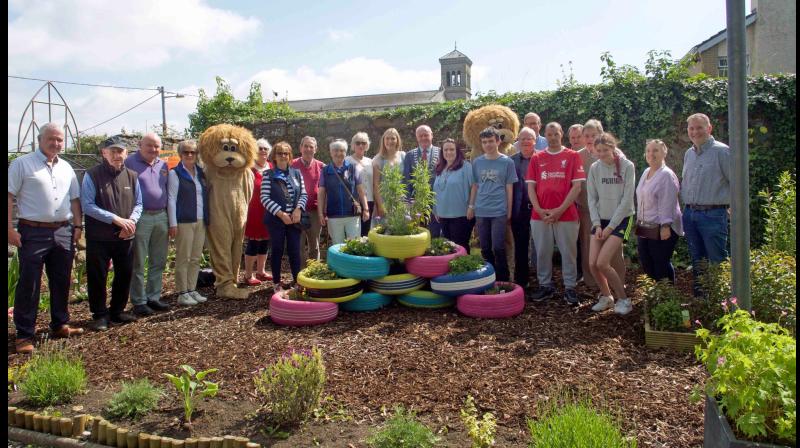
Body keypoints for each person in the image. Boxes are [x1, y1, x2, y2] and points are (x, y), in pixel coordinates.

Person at [8, 122, 84, 353]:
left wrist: (78, 225)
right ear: (40, 139)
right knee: (29, 282)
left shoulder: (67, 167)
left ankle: (60, 324)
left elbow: (74, 199)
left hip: (63, 230)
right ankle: (24, 334)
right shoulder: (22, 164)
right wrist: (9, 229)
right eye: (51, 138)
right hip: (33, 230)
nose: (56, 143)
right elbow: (9, 196)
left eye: (60, 139)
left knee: (62, 279)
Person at [82, 136, 143, 330]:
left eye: (120, 151)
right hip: (99, 237)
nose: (117, 155)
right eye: (113, 151)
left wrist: (131, 222)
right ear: (104, 153)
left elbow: (139, 203)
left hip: (125, 236)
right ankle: (99, 315)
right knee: (97, 276)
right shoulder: (92, 175)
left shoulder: (132, 176)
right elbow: (87, 205)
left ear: (126, 153)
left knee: (125, 274)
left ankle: (117, 311)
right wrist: (116, 219)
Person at [526, 122, 585, 305]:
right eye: (549, 134)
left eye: (556, 134)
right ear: (545, 135)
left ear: (561, 134)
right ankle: (545, 286)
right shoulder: (537, 158)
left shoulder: (573, 156)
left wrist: (559, 210)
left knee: (569, 253)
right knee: (542, 253)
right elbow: (531, 187)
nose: (552, 138)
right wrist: (538, 209)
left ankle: (570, 288)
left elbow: (577, 187)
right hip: (540, 216)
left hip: (566, 215)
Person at [681, 113, 731, 297]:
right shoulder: (689, 154)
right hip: (690, 214)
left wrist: (733, 207)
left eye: (699, 127)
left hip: (713, 215)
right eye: (691, 128)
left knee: (717, 260)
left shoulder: (722, 151)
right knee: (697, 261)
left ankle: (723, 301)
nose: (695, 132)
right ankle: (701, 300)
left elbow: (737, 181)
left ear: (709, 128)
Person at [586, 133, 636, 314]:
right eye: (598, 151)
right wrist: (597, 224)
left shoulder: (627, 166)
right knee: (592, 264)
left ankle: (624, 300)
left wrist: (610, 227)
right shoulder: (594, 168)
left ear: (613, 148)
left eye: (605, 150)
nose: (601, 154)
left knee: (602, 263)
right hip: (601, 220)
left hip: (621, 219)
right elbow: (592, 198)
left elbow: (627, 201)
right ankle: (607, 297)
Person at [576, 120, 626, 291]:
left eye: (593, 135)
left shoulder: (616, 155)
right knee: (588, 247)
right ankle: (594, 284)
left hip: (612, 213)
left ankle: (618, 284)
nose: (590, 139)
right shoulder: (578, 156)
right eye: (586, 136)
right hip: (587, 211)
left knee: (613, 251)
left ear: (601, 134)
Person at [124, 133, 170, 316]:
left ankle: (153, 296)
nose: (153, 149)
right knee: (138, 261)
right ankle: (139, 301)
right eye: (149, 145)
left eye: (157, 146)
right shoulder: (129, 163)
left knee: (159, 260)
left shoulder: (163, 165)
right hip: (141, 217)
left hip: (161, 215)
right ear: (140, 145)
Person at [467, 127, 517, 282]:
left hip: (499, 211)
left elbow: (509, 188)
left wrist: (509, 211)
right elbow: (475, 186)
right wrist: (471, 206)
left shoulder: (507, 162)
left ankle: (504, 279)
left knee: (498, 247)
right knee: (485, 247)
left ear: (498, 141)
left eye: (490, 141)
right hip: (481, 210)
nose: (487, 145)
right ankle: (489, 278)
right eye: (484, 142)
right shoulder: (477, 162)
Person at [167, 139, 210, 306]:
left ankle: (192, 289)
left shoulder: (201, 172)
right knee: (183, 257)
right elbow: (171, 199)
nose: (190, 155)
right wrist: (173, 223)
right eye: (186, 152)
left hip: (200, 220)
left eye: (193, 152)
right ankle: (182, 292)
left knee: (195, 257)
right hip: (184, 221)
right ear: (180, 154)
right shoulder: (175, 173)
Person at [261, 142, 307, 290]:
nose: (283, 156)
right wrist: (281, 214)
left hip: (294, 220)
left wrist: (298, 210)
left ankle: (297, 281)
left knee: (295, 251)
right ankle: (276, 282)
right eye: (279, 153)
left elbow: (304, 194)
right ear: (274, 156)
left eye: (286, 153)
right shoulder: (268, 175)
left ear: (290, 156)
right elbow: (264, 198)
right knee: (277, 251)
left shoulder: (297, 173)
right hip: (276, 220)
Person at [636, 139, 683, 283]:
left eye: (655, 150)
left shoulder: (666, 175)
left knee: (660, 263)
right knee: (646, 261)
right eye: (648, 151)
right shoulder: (646, 172)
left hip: (662, 225)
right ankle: (655, 292)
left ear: (664, 153)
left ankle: (667, 293)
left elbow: (668, 202)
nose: (651, 154)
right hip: (645, 225)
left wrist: (665, 226)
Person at [318, 139, 370, 244]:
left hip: (352, 215)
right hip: (334, 216)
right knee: (337, 246)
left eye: (342, 150)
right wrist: (320, 213)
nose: (338, 153)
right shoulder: (325, 170)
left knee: (355, 245)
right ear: (331, 152)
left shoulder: (353, 168)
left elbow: (360, 190)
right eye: (335, 150)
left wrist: (366, 209)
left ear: (345, 153)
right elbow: (321, 194)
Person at [433, 138, 475, 251]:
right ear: (442, 152)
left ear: (457, 151)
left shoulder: (466, 166)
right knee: (449, 248)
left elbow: (474, 186)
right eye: (445, 150)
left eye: (452, 149)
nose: (449, 152)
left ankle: (464, 263)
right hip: (443, 214)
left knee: (460, 246)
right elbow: (436, 190)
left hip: (461, 215)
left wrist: (471, 206)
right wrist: (436, 210)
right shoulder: (440, 168)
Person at [243, 139, 273, 285]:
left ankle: (261, 271)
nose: (263, 151)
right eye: (260, 148)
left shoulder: (272, 167)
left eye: (265, 149)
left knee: (265, 242)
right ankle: (248, 275)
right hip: (254, 212)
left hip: (270, 211)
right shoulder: (248, 169)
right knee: (253, 243)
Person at [510, 127, 537, 288]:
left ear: (535, 141)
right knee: (520, 246)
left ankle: (542, 280)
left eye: (529, 138)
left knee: (541, 246)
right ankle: (522, 279)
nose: (526, 141)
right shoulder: (511, 161)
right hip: (519, 210)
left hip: (539, 209)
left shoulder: (542, 158)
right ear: (518, 142)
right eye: (523, 138)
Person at [291, 136, 324, 266]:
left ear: (315, 149)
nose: (308, 149)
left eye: (311, 147)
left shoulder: (321, 166)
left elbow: (325, 190)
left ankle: (314, 272)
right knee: (298, 245)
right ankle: (300, 273)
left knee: (314, 245)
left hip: (315, 211)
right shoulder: (292, 165)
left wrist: (324, 212)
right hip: (297, 211)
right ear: (300, 148)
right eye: (306, 146)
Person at [403, 125, 441, 236]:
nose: (423, 138)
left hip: (436, 202)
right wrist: (408, 202)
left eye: (426, 135)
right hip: (416, 202)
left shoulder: (441, 153)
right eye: (420, 136)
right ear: (417, 137)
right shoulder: (410, 155)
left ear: (432, 135)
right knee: (418, 233)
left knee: (435, 233)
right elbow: (407, 180)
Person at [372, 128, 406, 222]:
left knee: (401, 227)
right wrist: (380, 206)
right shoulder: (378, 159)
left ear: (397, 140)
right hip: (385, 201)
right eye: (387, 138)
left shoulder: (403, 156)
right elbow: (376, 185)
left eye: (393, 138)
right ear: (383, 140)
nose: (390, 141)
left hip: (401, 200)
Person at [346, 132, 375, 236]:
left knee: (367, 232)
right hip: (355, 202)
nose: (361, 145)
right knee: (355, 232)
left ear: (367, 145)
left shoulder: (371, 161)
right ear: (353, 145)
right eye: (358, 143)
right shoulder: (347, 161)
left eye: (363, 143)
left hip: (370, 201)